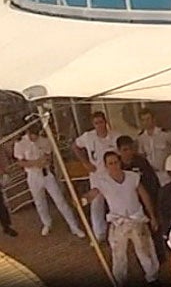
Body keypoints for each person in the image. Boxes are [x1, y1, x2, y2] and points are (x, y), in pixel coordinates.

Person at [82, 151, 160, 285]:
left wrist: (152, 216)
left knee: (145, 250)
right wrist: (82, 200)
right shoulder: (102, 181)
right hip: (118, 222)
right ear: (106, 166)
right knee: (118, 255)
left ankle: (152, 277)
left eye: (116, 162)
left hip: (137, 219)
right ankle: (120, 281)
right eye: (110, 163)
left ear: (120, 162)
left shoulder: (132, 177)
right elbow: (92, 194)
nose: (114, 166)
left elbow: (144, 196)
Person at [13, 122, 86, 237]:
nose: (35, 137)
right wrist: (34, 163)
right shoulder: (21, 143)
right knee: (40, 202)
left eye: (36, 134)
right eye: (32, 135)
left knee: (60, 200)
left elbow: (48, 155)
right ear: (28, 133)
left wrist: (45, 161)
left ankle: (73, 226)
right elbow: (20, 162)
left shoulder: (44, 141)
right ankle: (46, 223)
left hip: (46, 174)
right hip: (33, 175)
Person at [73, 111, 124, 241]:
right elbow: (75, 146)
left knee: (116, 203)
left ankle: (121, 230)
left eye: (101, 122)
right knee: (96, 204)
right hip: (96, 176)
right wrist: (85, 162)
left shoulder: (115, 136)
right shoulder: (88, 137)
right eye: (96, 123)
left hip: (113, 175)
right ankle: (99, 234)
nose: (99, 125)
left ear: (105, 122)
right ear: (93, 124)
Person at [137, 108, 171, 187]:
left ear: (153, 119)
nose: (146, 122)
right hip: (151, 175)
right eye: (143, 120)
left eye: (148, 119)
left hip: (166, 173)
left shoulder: (165, 134)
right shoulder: (141, 138)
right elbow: (142, 156)